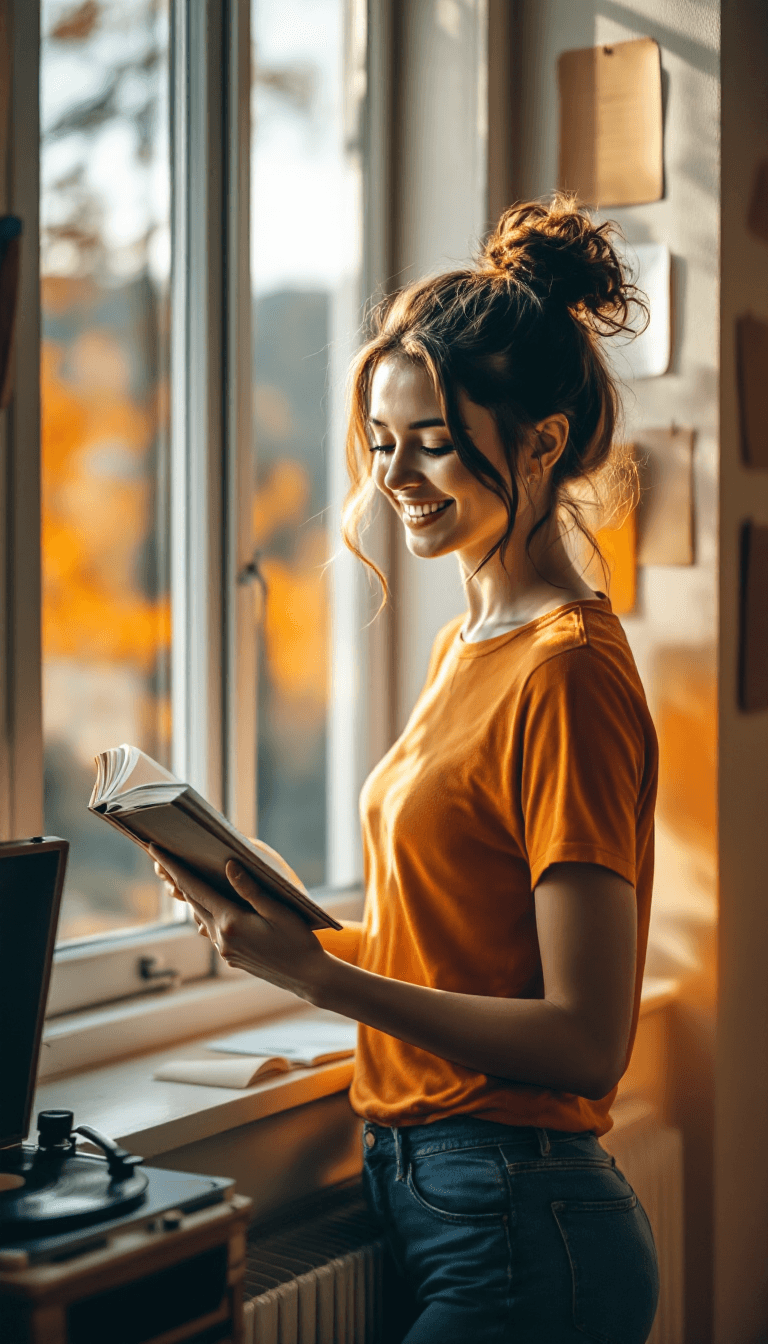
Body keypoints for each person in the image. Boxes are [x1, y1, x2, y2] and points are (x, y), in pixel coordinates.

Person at [152, 195, 660, 1343]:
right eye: (383, 442)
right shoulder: (466, 646)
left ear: (543, 438)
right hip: (437, 1192)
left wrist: (322, 981)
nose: (398, 474)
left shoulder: (568, 672)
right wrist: (282, 920)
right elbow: (461, 953)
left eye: (434, 439)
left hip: (523, 1216)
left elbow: (584, 1037)